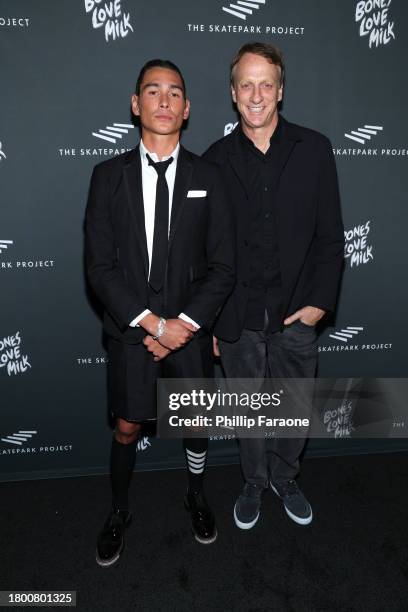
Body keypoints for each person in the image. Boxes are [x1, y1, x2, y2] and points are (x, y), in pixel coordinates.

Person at [85, 59, 235, 566]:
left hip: (190, 333)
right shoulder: (107, 177)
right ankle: (120, 509)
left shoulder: (209, 176)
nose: (164, 101)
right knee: (127, 427)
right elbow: (99, 268)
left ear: (187, 108)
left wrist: (182, 327)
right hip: (132, 334)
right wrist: (152, 325)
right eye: (153, 91)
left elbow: (223, 266)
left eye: (174, 93)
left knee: (194, 422)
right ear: (136, 104)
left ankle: (195, 493)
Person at [203, 42, 344, 529]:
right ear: (233, 93)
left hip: (296, 315)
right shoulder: (213, 161)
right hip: (238, 319)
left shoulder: (316, 149)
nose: (256, 94)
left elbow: (331, 236)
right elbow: (207, 253)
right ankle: (254, 481)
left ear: (280, 91)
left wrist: (317, 306)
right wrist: (215, 322)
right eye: (247, 84)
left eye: (267, 83)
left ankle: (286, 477)